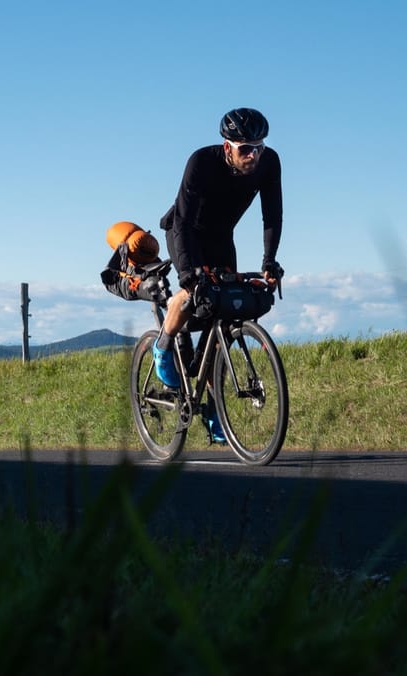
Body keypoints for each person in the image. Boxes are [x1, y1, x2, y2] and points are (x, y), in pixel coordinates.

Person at [152, 107, 284, 441]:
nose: (253, 154)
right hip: (186, 233)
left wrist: (269, 261)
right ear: (228, 147)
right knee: (188, 297)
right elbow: (180, 222)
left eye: (259, 146)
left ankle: (214, 408)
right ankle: (163, 347)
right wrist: (186, 272)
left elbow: (273, 215)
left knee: (224, 314)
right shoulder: (201, 162)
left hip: (222, 237)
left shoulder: (269, 163)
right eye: (245, 148)